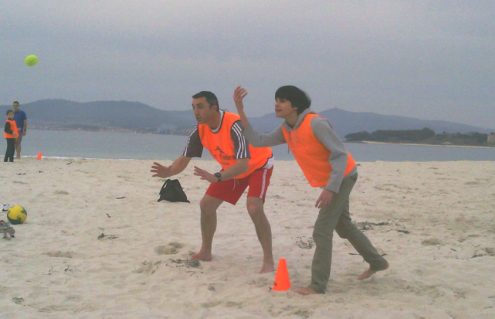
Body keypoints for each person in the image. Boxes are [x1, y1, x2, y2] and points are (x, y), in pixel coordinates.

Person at [233, 85, 389, 295]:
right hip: (333, 180)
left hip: (343, 176)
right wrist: (240, 109)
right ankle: (378, 262)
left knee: (321, 231)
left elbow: (340, 154)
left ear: (295, 106)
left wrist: (331, 189)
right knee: (343, 226)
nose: (277, 104)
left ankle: (317, 285)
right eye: (276, 100)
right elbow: (258, 140)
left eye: (282, 101)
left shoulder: (316, 123)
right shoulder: (287, 128)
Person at [151, 91, 276, 273]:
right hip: (233, 167)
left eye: (200, 107)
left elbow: (243, 165)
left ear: (214, 108)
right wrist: (168, 171)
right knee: (206, 205)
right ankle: (206, 251)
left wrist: (217, 176)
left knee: (254, 207)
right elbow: (184, 159)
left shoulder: (234, 125)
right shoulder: (200, 130)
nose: (196, 112)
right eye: (194, 107)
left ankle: (268, 261)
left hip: (258, 164)